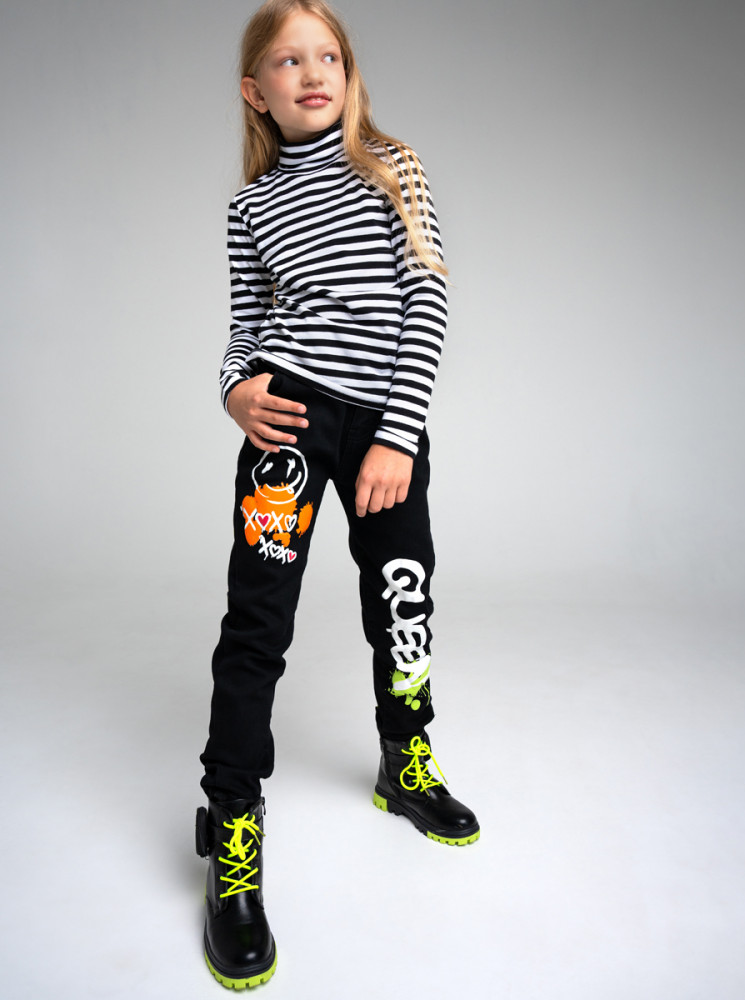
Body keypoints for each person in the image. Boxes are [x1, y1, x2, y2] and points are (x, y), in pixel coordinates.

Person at [195, 0, 480, 989]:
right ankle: (232, 829)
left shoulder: (393, 166)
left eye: (329, 56)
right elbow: (246, 323)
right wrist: (234, 389)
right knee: (257, 619)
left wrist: (397, 432)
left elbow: (428, 293)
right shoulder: (251, 205)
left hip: (382, 423)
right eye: (288, 61)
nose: (312, 73)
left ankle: (406, 760)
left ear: (348, 75)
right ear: (255, 91)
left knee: (403, 601)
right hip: (287, 419)